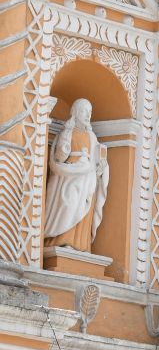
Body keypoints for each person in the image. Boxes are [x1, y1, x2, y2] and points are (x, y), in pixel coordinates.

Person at [43, 98, 109, 252]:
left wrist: (101, 166)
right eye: (85, 111)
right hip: (69, 177)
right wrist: (64, 148)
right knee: (69, 203)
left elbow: (96, 159)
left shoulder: (92, 136)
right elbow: (59, 158)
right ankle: (60, 240)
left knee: (85, 208)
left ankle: (79, 245)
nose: (88, 115)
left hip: (87, 179)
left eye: (90, 112)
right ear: (76, 112)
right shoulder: (67, 133)